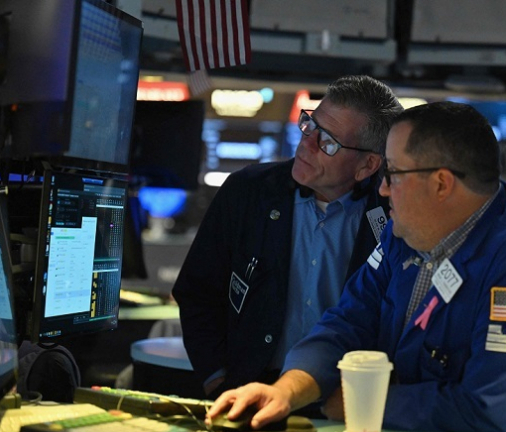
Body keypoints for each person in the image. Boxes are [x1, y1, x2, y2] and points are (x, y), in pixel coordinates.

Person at [207, 101, 506, 432]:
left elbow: (490, 406)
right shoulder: (404, 233)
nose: (383, 189)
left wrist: (367, 404)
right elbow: (349, 320)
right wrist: (287, 391)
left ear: (441, 183)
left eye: (392, 174)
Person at [172, 75, 403, 399]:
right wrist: (216, 378)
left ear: (367, 165)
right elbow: (198, 291)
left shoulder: (393, 212)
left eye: (328, 142)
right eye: (310, 125)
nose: (307, 143)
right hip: (249, 387)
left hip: (345, 396)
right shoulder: (248, 192)